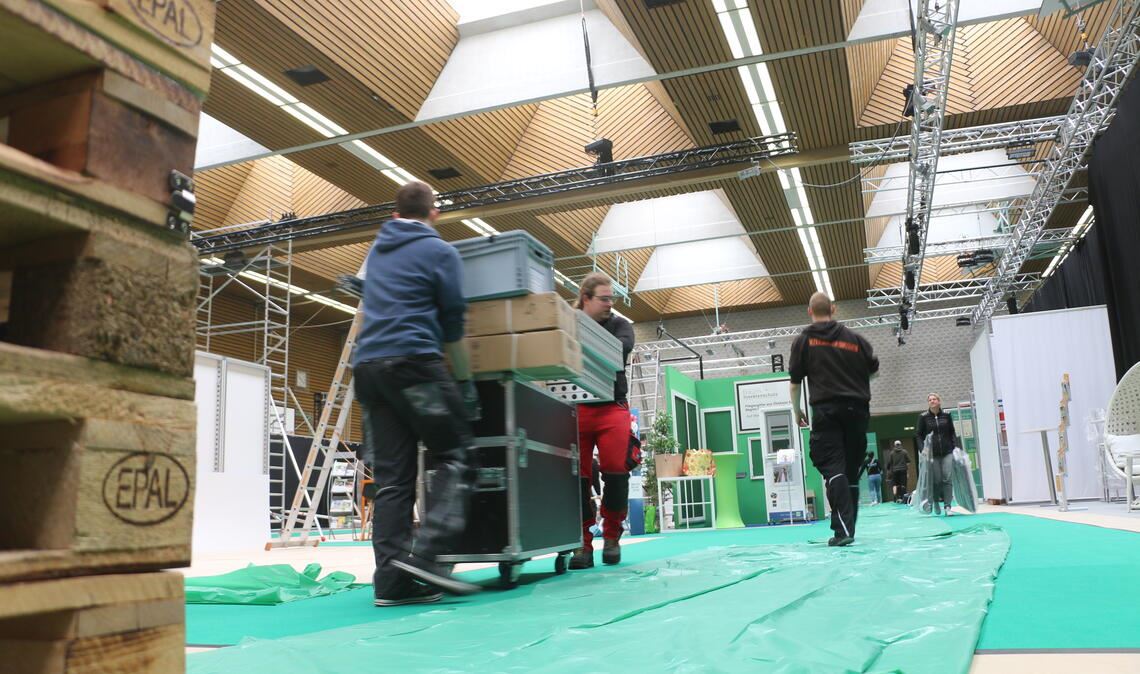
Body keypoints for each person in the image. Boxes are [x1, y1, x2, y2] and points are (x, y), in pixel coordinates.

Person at [353, 181, 482, 606]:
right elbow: (453, 326)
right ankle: (428, 556)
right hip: (413, 369)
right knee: (457, 452)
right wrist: (463, 385)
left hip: (370, 372)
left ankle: (391, 582)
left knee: (392, 481)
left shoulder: (376, 250)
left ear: (394, 215)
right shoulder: (441, 252)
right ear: (435, 214)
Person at [789, 293, 879, 547]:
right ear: (833, 309)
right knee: (850, 471)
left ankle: (842, 531)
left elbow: (795, 385)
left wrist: (797, 412)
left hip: (826, 411)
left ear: (809, 311)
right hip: (858, 411)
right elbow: (874, 371)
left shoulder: (804, 341)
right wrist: (854, 383)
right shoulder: (856, 340)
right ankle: (849, 529)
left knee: (832, 468)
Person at [569, 272, 638, 568]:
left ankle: (612, 537)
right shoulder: (568, 321)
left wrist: (578, 343)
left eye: (612, 298)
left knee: (615, 472)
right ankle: (582, 544)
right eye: (605, 299)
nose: (610, 304)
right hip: (577, 408)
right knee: (578, 479)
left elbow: (621, 349)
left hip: (613, 408)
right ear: (586, 298)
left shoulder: (621, 325)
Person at [916, 393, 958, 515]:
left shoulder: (946, 415)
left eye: (934, 399)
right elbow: (918, 435)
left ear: (939, 401)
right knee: (937, 480)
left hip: (947, 452)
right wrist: (922, 449)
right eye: (930, 400)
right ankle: (935, 501)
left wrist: (955, 447)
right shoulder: (923, 417)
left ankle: (947, 506)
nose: (932, 401)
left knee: (947, 479)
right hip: (932, 454)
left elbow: (952, 432)